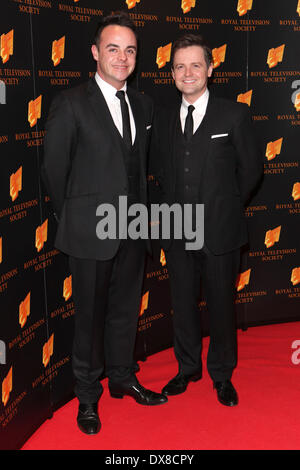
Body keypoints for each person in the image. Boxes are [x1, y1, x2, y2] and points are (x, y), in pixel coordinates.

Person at [42, 12, 167, 435]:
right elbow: (54, 173)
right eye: (113, 48)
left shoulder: (144, 103)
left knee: (124, 313)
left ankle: (122, 378)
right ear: (96, 52)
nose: (122, 57)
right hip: (90, 233)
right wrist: (76, 220)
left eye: (130, 50)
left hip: (133, 228)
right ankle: (87, 398)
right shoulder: (71, 103)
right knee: (89, 320)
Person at [151, 34, 262, 406]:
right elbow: (161, 173)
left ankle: (221, 374)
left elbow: (251, 171)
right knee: (182, 304)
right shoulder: (164, 120)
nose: (188, 73)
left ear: (210, 69)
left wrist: (225, 206)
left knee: (221, 305)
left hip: (220, 232)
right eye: (180, 66)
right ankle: (187, 369)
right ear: (171, 73)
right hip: (178, 231)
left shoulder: (235, 114)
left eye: (196, 64)